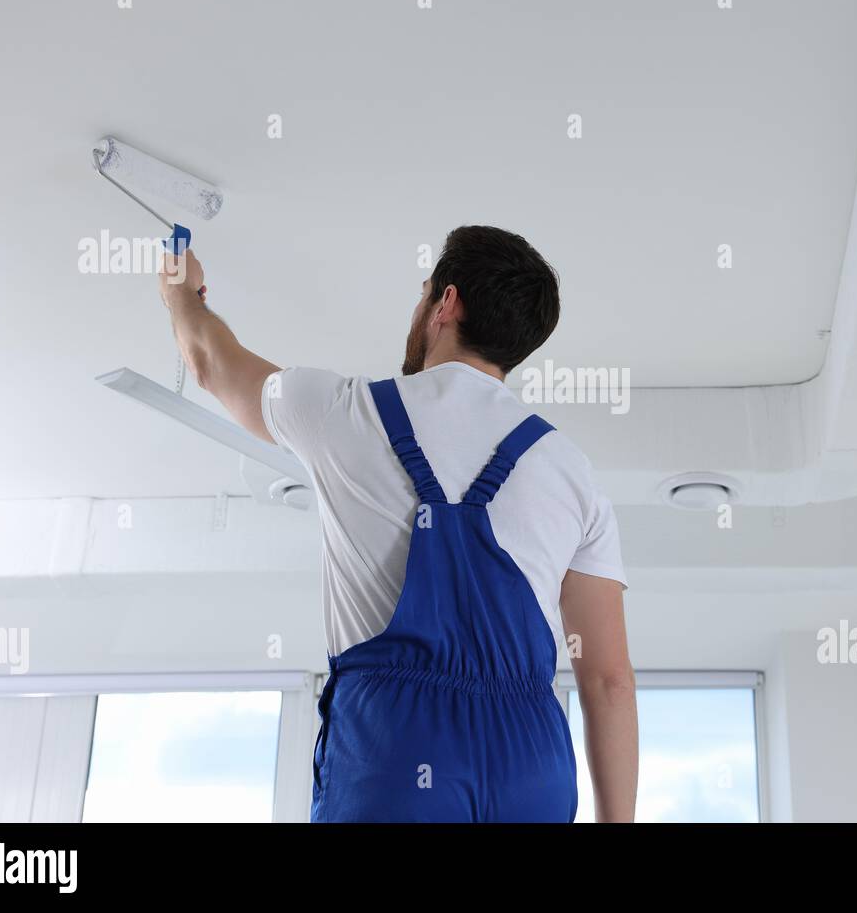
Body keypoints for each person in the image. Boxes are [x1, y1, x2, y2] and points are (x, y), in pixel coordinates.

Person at [157, 225, 638, 822]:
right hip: (530, 759)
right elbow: (609, 681)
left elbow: (210, 364)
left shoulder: (342, 409)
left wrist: (181, 294)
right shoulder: (570, 470)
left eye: (424, 291)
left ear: (447, 303)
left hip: (397, 748)